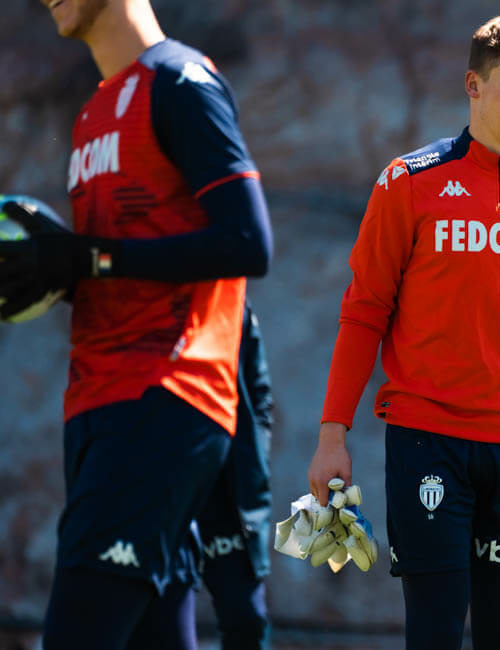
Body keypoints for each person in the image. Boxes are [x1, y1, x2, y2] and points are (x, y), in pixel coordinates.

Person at [306, 14, 500, 650]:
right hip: (427, 441)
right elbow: (363, 312)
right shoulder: (408, 182)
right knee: (436, 632)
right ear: (473, 85)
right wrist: (332, 435)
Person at [0, 0, 273, 647]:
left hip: (164, 398)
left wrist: (88, 258)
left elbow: (248, 242)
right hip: (96, 405)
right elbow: (119, 263)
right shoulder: (92, 114)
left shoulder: (181, 80)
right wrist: (47, 272)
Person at [195, 303, 274, 649]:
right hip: (163, 483)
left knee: (247, 618)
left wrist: (254, 454)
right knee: (161, 617)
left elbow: (260, 395)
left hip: (227, 489)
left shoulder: (233, 303)